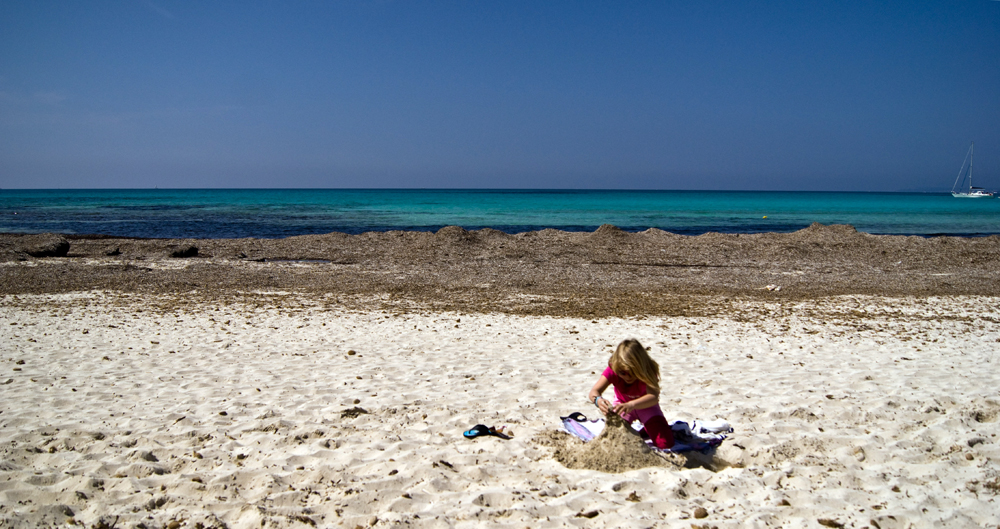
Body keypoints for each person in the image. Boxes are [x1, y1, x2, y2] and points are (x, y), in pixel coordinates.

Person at [588, 338, 674, 449]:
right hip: (622, 406)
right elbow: (594, 392)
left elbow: (653, 397)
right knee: (615, 441)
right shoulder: (613, 368)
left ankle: (648, 428)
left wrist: (632, 404)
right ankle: (645, 429)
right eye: (622, 373)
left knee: (665, 444)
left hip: (646, 406)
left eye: (632, 373)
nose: (628, 377)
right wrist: (598, 400)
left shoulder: (648, 370)